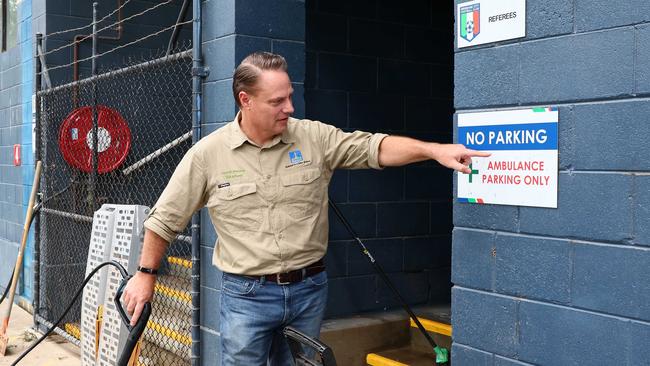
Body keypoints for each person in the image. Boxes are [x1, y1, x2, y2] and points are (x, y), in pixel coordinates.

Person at [122, 51, 489, 365]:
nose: (289, 108)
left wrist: (433, 150)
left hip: (308, 290)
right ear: (245, 100)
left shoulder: (313, 137)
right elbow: (164, 220)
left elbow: (373, 148)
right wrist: (144, 275)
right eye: (277, 101)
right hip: (246, 296)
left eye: (289, 97)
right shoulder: (208, 155)